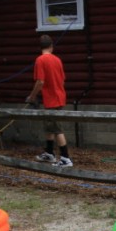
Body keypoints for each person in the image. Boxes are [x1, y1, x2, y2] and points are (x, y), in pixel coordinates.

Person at [26, 34, 73, 167]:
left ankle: (65, 158)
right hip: (58, 96)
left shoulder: (40, 60)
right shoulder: (57, 60)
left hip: (52, 99)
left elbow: (40, 81)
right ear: (51, 46)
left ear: (40, 47)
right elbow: (62, 80)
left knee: (57, 128)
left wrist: (32, 96)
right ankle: (49, 152)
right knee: (49, 126)